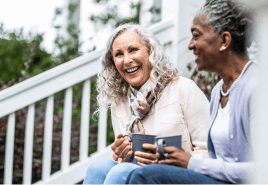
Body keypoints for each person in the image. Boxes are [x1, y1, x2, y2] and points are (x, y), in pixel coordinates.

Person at [126, 0, 256, 184]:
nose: (190, 45)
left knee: (144, 177)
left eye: (196, 36)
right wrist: (173, 158)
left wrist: (192, 163)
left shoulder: (256, 88)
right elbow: (215, 157)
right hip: (218, 180)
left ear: (224, 40)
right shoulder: (220, 89)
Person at [83, 24, 210, 185]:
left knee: (122, 171)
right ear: (113, 62)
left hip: (180, 176)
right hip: (139, 178)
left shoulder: (184, 89)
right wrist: (125, 155)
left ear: (150, 52)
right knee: (98, 167)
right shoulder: (119, 103)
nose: (127, 60)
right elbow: (128, 165)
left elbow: (211, 153)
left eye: (133, 50)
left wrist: (166, 159)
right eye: (119, 54)